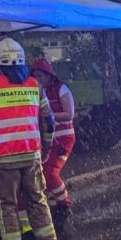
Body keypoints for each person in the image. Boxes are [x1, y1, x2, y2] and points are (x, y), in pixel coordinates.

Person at [0, 38, 58, 240]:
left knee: (7, 208)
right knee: (38, 202)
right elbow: (49, 122)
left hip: (3, 160)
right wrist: (46, 149)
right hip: (31, 156)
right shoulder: (34, 85)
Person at [31, 58, 76, 226]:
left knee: (51, 172)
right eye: (35, 76)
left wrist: (47, 116)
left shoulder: (61, 89)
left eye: (41, 76)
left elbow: (69, 114)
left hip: (63, 139)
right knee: (42, 173)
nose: (38, 80)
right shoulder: (36, 91)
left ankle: (64, 205)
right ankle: (54, 206)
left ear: (49, 75)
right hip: (46, 139)